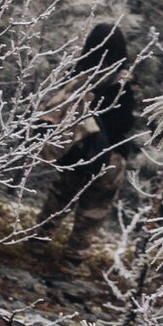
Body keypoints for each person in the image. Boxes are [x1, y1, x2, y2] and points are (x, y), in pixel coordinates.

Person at [37, 23, 138, 252]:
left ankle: (38, 242)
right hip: (111, 156)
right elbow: (125, 123)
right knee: (93, 211)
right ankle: (74, 257)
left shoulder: (78, 76)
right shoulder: (124, 82)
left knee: (59, 199)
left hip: (77, 151)